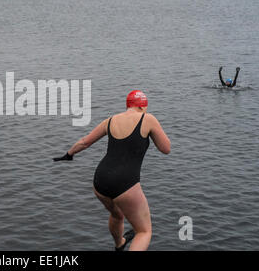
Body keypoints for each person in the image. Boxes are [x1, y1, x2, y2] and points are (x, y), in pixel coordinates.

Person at [53, 90, 171, 251]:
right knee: (144, 231)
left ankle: (119, 244)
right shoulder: (148, 119)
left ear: (127, 105)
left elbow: (84, 142)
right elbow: (166, 149)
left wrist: (68, 154)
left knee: (117, 214)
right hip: (125, 184)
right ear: (144, 107)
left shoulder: (111, 120)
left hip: (100, 181)